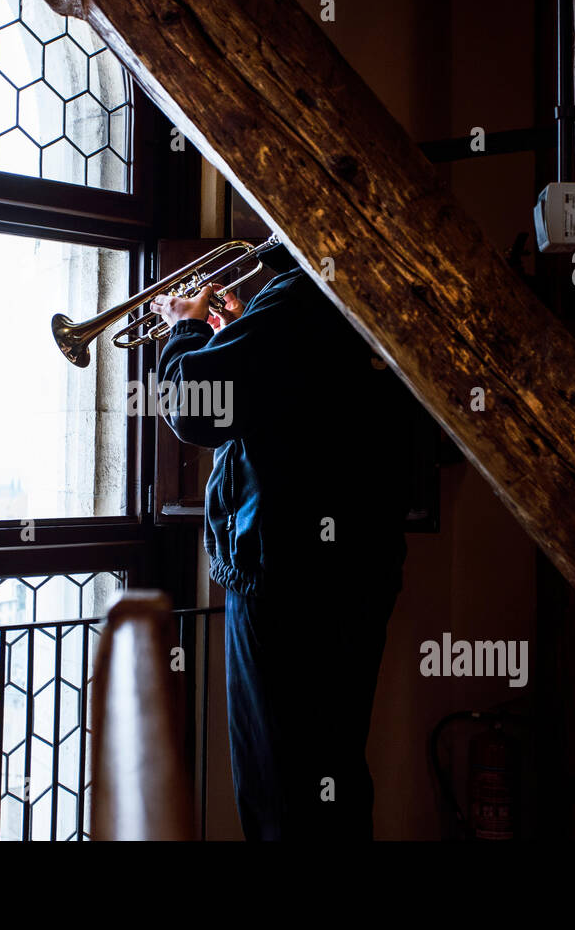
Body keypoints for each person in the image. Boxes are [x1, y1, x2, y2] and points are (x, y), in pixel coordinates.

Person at [151, 245, 414, 840]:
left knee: (278, 787)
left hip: (285, 577)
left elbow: (194, 404)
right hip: (350, 570)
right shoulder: (364, 288)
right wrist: (240, 335)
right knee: (330, 772)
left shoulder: (300, 298)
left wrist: (184, 329)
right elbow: (293, 405)